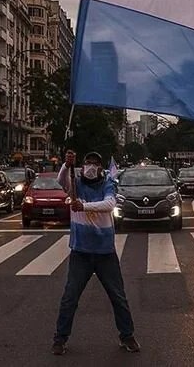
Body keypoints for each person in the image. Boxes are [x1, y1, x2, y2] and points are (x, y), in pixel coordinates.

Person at [52, 150, 138, 356]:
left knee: (118, 296)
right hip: (80, 250)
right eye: (87, 162)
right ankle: (60, 338)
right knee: (69, 297)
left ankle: (127, 335)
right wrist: (66, 164)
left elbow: (109, 204)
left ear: (101, 167)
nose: (91, 166)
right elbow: (61, 181)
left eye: (95, 163)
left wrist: (83, 206)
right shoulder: (76, 184)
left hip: (104, 251)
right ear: (82, 166)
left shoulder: (108, 184)